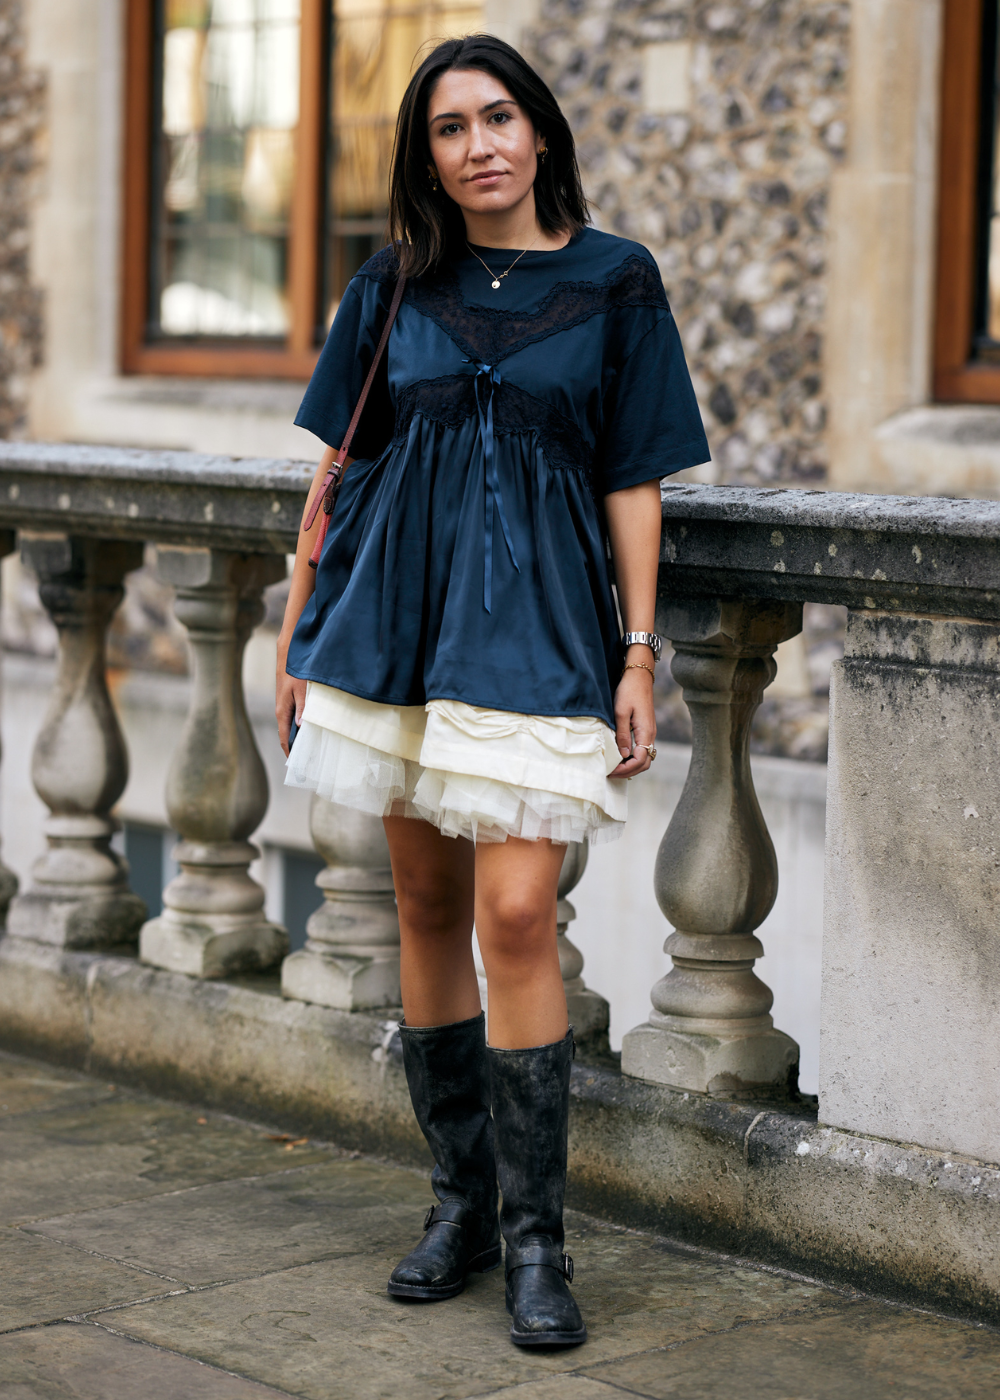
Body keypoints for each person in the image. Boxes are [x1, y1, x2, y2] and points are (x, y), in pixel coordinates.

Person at [276, 33, 709, 1349]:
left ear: (540, 132)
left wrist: (639, 652)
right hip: (391, 627)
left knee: (517, 911)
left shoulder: (617, 281)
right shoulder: (395, 282)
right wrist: (300, 644)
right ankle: (459, 1207)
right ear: (429, 159)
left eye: (498, 117)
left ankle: (539, 1242)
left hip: (541, 639)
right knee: (420, 900)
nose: (478, 147)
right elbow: (333, 479)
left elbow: (633, 479)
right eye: (449, 130)